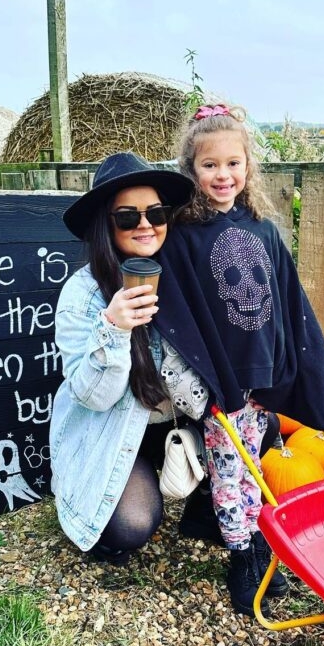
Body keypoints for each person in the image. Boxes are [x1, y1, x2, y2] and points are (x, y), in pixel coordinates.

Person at [154, 105, 324, 617]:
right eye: (210, 165)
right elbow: (182, 314)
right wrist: (206, 381)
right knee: (228, 466)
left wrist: (293, 368)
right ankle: (241, 553)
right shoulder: (184, 237)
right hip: (224, 379)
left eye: (233, 164)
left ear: (248, 168)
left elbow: (285, 302)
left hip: (264, 376)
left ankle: (256, 540)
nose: (223, 175)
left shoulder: (264, 231)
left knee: (253, 462)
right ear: (192, 170)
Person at [49, 151, 194, 565]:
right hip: (111, 427)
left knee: (264, 423)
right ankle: (105, 489)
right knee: (129, 525)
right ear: (106, 225)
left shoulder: (182, 276)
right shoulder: (83, 295)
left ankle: (205, 510)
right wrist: (113, 328)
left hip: (177, 419)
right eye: (128, 217)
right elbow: (93, 398)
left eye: (157, 213)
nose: (146, 225)